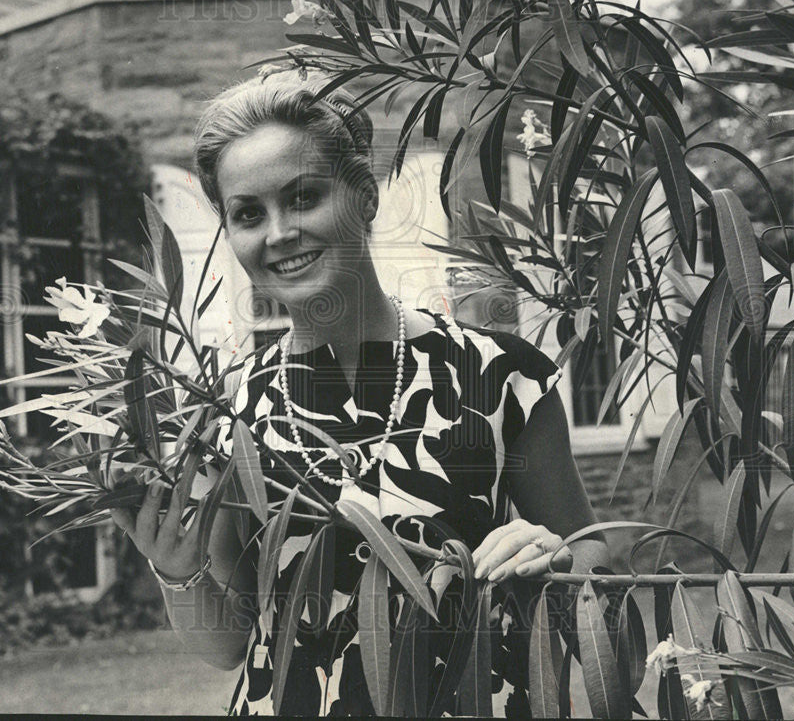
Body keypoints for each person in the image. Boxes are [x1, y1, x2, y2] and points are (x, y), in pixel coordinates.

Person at [111, 70, 609, 717]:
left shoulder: (503, 374)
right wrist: (176, 571)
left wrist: (559, 555)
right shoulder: (227, 407)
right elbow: (230, 641)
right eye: (248, 214)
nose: (279, 232)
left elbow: (593, 551)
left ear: (364, 197)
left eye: (305, 196)